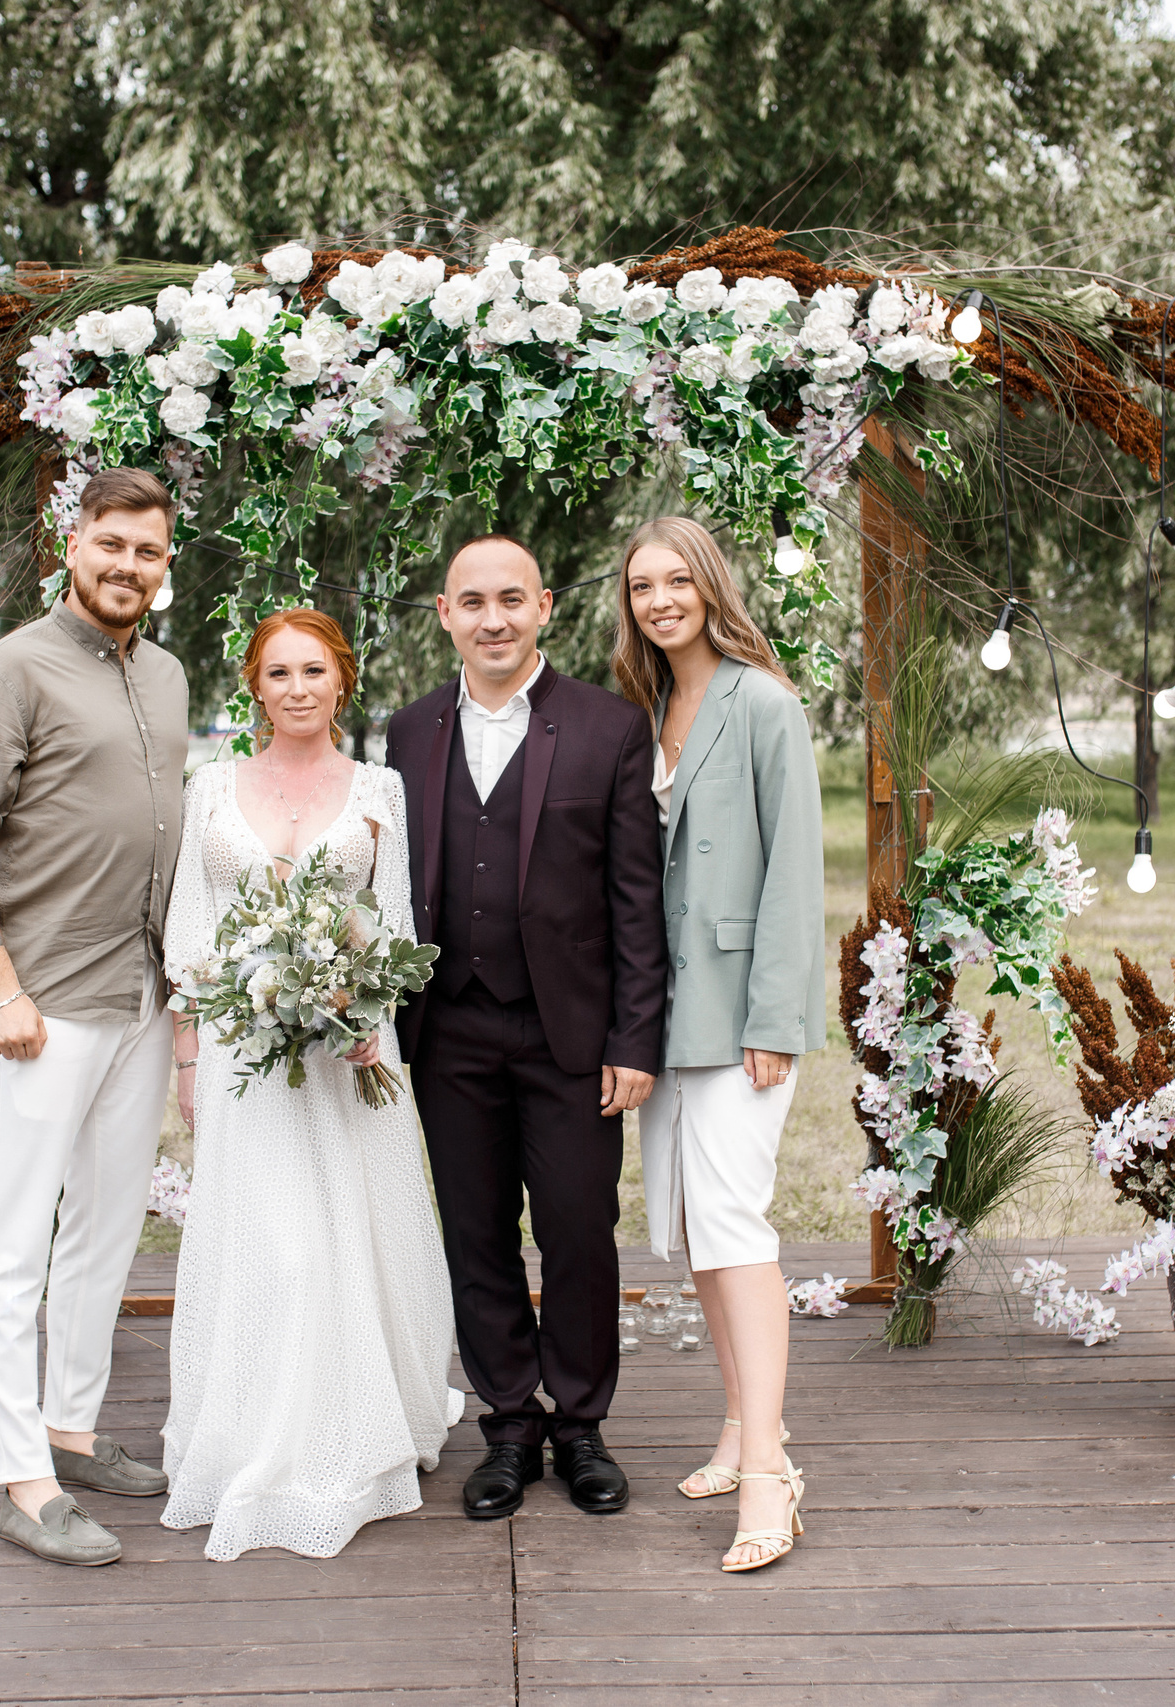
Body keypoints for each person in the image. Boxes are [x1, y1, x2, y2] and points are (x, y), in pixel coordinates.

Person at [0, 468, 186, 1568]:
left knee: (107, 1225)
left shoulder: (166, 673)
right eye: (111, 544)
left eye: (149, 552)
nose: (129, 566)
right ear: (72, 543)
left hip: (140, 991)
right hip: (44, 998)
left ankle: (72, 1430)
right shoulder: (8, 669)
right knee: (6, 1242)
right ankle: (23, 1480)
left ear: (166, 564)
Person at [159, 608, 462, 1561]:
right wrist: (189, 1054)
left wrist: (370, 1019)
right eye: (280, 671)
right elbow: (190, 926)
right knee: (270, 1245)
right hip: (246, 1055)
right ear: (254, 683)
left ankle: (354, 1423)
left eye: (315, 671)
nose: (298, 687)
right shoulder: (211, 785)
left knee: (345, 1234)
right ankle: (257, 1437)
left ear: (343, 681)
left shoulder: (380, 788)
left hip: (347, 1051)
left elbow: (395, 917)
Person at [385, 534, 669, 1522]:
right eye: (473, 601)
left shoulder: (608, 729)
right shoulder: (406, 731)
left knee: (579, 1228)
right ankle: (508, 1420)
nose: (492, 618)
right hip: (448, 1030)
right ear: (444, 613)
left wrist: (635, 1039)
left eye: (511, 598)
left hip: (573, 1036)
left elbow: (637, 902)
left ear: (544, 605)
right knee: (474, 1231)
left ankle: (580, 1422)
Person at [612, 516, 824, 1573]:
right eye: (642, 586)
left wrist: (776, 1023)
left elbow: (794, 870)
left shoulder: (763, 702)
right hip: (664, 1018)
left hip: (743, 1017)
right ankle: (744, 1426)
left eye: (675, 581)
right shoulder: (644, 707)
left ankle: (769, 1478)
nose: (659, 601)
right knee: (695, 1232)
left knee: (735, 1226)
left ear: (709, 586)